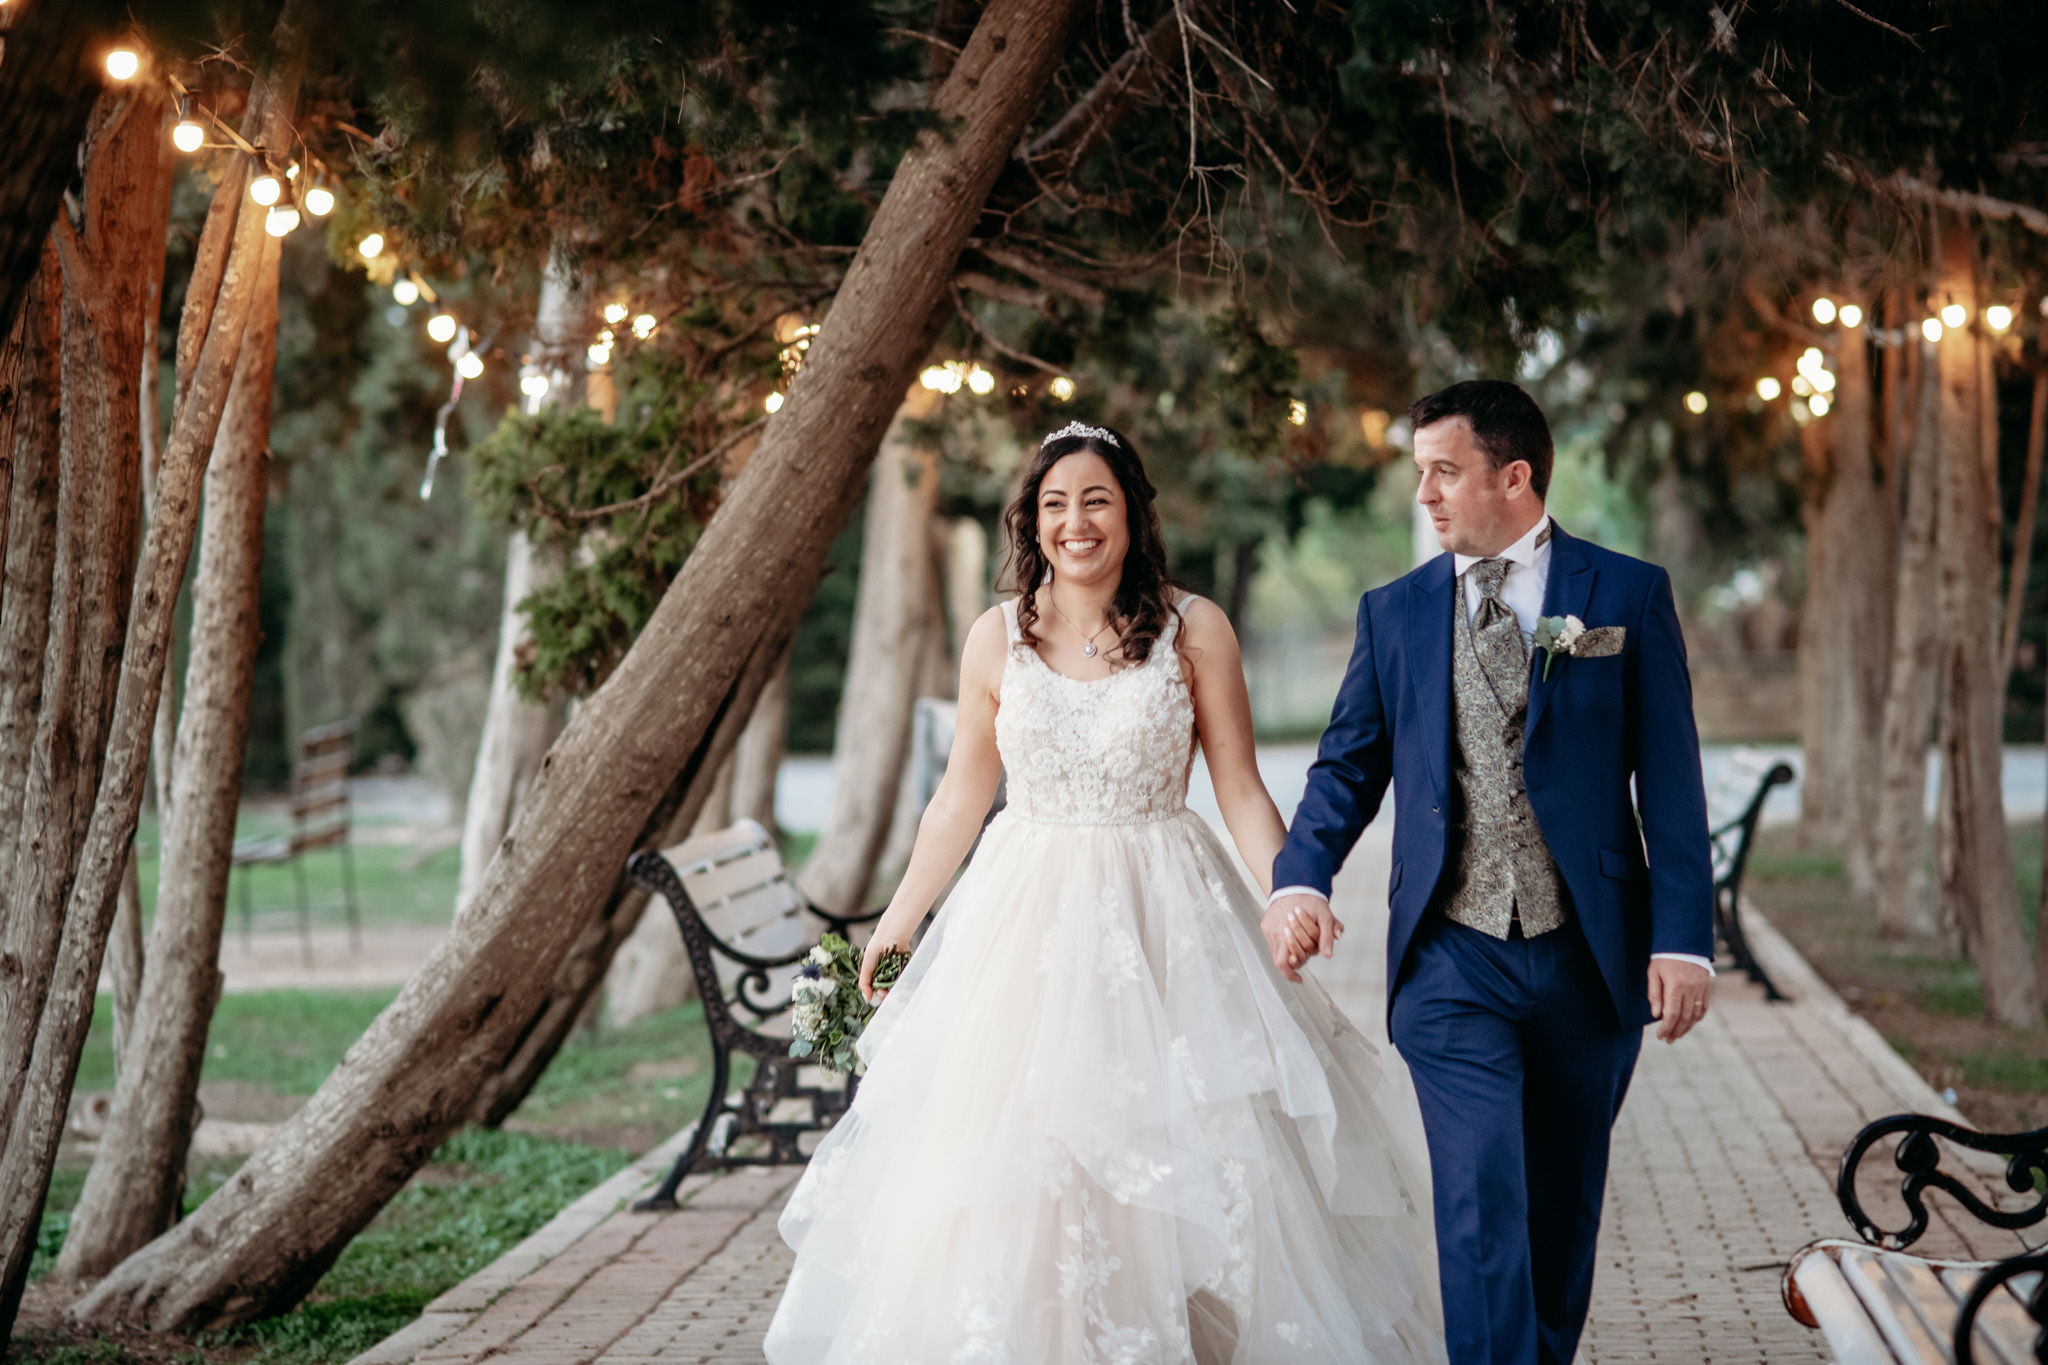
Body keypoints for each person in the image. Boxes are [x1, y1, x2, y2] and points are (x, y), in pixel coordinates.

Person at [764, 421, 1443, 1364]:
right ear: (1030, 521)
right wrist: (900, 918)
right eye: (1053, 504)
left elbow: (1240, 784)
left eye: (1095, 500)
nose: (1074, 521)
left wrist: (1295, 889)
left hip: (1169, 916)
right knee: (1024, 1161)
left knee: (1189, 1150)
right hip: (1024, 924)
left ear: (1130, 512)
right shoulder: (996, 636)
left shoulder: (1193, 626)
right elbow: (962, 793)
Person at [1267, 379, 1716, 1365]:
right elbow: (1346, 766)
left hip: (1587, 960)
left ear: (1512, 477)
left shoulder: (1623, 594)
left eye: (1443, 471)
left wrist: (1684, 940)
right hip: (1448, 960)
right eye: (1417, 472)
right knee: (1479, 1207)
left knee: (1557, 1219)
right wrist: (1300, 878)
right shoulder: (1393, 612)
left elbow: (1672, 783)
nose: (1424, 495)